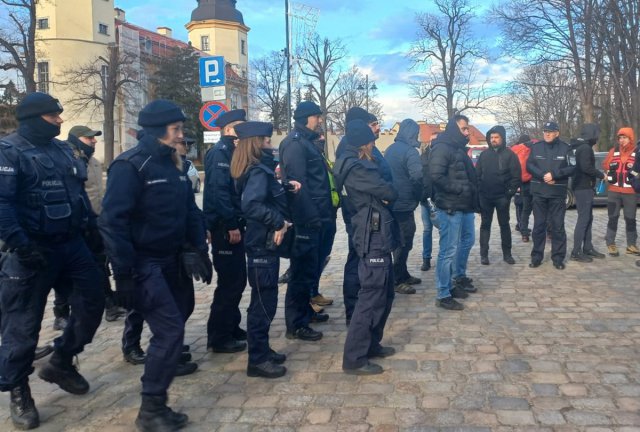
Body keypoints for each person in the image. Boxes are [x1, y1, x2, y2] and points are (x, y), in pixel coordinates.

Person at [99, 99, 211, 431]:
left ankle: (158, 389)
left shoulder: (175, 164)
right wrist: (124, 274)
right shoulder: (131, 165)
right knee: (170, 330)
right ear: (159, 131)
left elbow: (190, 210)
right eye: (176, 130)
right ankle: (151, 409)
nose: (181, 135)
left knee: (181, 315)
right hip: (144, 262)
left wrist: (198, 248)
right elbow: (112, 222)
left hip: (173, 259)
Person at [0, 92, 105, 430]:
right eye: (53, 116)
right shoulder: (9, 151)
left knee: (93, 301)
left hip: (72, 245)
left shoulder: (64, 150)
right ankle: (19, 388)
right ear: (33, 118)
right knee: (23, 326)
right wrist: (21, 244)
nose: (60, 121)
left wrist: (92, 232)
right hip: (32, 249)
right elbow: (1, 205)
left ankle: (61, 360)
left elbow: (77, 194)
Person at [231, 121, 296, 378]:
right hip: (261, 245)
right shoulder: (258, 171)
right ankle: (257, 360)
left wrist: (285, 188)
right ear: (257, 142)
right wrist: (278, 221)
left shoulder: (256, 169)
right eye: (267, 141)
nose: (271, 145)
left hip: (263, 243)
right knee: (262, 302)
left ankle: (262, 349)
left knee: (265, 299)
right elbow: (252, 205)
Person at [334, 119, 397, 375]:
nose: (374, 146)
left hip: (373, 229)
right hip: (372, 233)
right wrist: (385, 192)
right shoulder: (358, 167)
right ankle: (355, 357)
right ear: (364, 144)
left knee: (385, 292)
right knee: (371, 295)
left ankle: (371, 344)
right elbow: (388, 190)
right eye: (371, 142)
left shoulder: (353, 164)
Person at [51, 125, 127, 332]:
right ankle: (61, 313)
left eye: (94, 138)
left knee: (100, 265)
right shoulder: (67, 159)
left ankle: (110, 305)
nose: (93, 141)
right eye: (89, 138)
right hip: (74, 225)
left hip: (95, 223)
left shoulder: (93, 162)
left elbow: (97, 194)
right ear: (76, 139)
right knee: (66, 271)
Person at [279, 101, 334, 340]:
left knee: (309, 271)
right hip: (306, 220)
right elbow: (297, 186)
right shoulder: (294, 145)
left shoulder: (307, 143)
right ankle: (296, 323)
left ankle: (306, 312)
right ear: (304, 119)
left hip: (318, 216)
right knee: (300, 274)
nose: (319, 120)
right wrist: (310, 218)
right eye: (316, 117)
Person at [203, 109, 248, 352]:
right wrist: (231, 224)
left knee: (238, 280)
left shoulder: (231, 151)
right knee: (230, 281)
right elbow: (220, 192)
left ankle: (231, 325)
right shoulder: (219, 153)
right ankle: (219, 337)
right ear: (229, 129)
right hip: (224, 227)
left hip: (233, 224)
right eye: (240, 126)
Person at [429, 114, 478, 310]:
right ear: (454, 129)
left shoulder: (457, 148)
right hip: (449, 206)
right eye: (464, 129)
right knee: (447, 251)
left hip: (464, 205)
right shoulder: (442, 147)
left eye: (468, 129)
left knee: (467, 240)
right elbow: (436, 175)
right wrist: (458, 188)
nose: (467, 132)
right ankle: (443, 293)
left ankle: (453, 281)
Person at [527, 121, 575, 270]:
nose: (547, 134)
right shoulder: (536, 147)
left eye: (550, 131)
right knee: (538, 226)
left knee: (558, 227)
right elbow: (529, 166)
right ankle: (536, 257)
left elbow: (573, 167)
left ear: (557, 133)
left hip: (557, 193)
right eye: (545, 131)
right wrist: (543, 175)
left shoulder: (566, 149)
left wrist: (555, 174)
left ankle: (558, 258)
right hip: (539, 192)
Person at [384, 119, 423, 292]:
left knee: (398, 239)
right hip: (405, 204)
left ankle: (403, 273)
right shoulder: (411, 152)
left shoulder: (390, 150)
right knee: (404, 241)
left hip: (391, 203)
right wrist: (419, 194)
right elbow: (417, 177)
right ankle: (398, 278)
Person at [476, 125, 521, 265]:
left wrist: (509, 193)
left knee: (504, 225)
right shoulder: (484, 155)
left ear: (502, 138)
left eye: (496, 137)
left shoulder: (510, 155)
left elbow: (516, 176)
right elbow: (477, 175)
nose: (493, 140)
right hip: (485, 197)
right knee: (485, 225)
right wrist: (479, 192)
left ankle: (507, 254)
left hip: (502, 197)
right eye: (491, 137)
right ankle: (484, 254)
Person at [569, 123, 606, 262]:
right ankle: (576, 251)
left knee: (588, 218)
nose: (598, 137)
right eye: (597, 134)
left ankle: (588, 247)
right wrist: (601, 175)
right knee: (583, 219)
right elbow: (586, 167)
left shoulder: (583, 147)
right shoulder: (584, 148)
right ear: (592, 134)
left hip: (585, 187)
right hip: (583, 188)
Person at [602, 127, 639, 257]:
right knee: (613, 217)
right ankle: (610, 243)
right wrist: (609, 170)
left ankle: (631, 244)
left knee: (630, 219)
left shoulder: (637, 152)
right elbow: (605, 165)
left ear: (631, 139)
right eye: (620, 138)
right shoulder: (613, 151)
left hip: (631, 192)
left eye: (624, 137)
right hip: (614, 192)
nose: (621, 140)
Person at [420, 130, 439, 272]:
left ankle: (444, 258)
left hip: (439, 199)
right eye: (431, 140)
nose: (433, 143)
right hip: (425, 199)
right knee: (427, 229)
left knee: (443, 229)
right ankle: (426, 258)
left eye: (435, 140)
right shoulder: (423, 156)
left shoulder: (442, 157)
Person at [511, 135, 534, 242]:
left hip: (522, 183)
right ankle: (546, 231)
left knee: (524, 209)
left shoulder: (515, 150)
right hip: (534, 181)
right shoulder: (533, 148)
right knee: (539, 209)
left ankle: (524, 232)